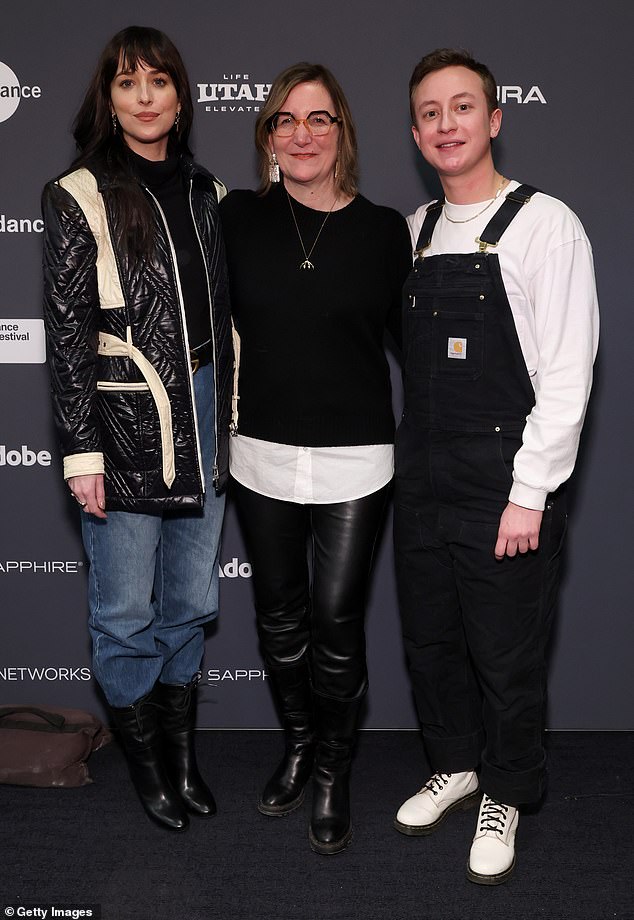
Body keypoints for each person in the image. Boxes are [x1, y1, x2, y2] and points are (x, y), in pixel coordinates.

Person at [393, 48, 599, 884]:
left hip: (506, 485)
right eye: (431, 113)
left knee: (507, 654)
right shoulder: (411, 232)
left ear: (495, 119)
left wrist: (529, 494)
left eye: (463, 108)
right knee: (432, 642)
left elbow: (566, 375)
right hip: (422, 480)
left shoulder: (547, 224)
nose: (448, 124)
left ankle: (507, 789)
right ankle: (458, 764)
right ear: (416, 131)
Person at [42, 26, 232, 832]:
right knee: (124, 609)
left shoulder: (209, 191)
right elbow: (67, 329)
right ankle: (148, 767)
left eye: (159, 80)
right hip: (127, 416)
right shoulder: (76, 191)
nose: (146, 95)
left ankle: (182, 758)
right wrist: (82, 448)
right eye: (128, 82)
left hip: (208, 405)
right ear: (109, 99)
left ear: (181, 96)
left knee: (189, 600)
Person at [220, 62, 411, 855]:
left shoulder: (383, 230)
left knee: (335, 624)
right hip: (259, 452)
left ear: (343, 134)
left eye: (319, 119)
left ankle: (332, 770)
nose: (302, 134)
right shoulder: (235, 218)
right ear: (268, 137)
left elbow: (420, 350)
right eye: (285, 121)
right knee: (279, 619)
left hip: (356, 460)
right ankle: (299, 742)